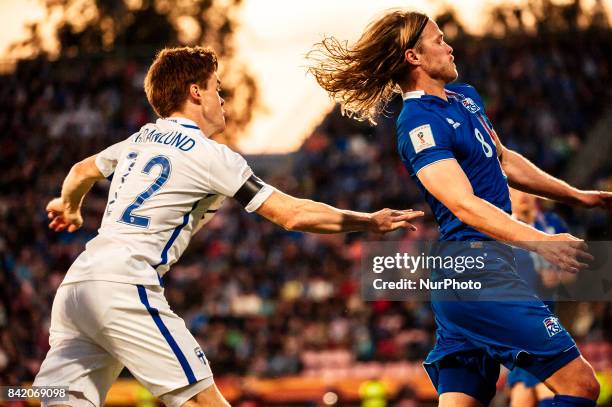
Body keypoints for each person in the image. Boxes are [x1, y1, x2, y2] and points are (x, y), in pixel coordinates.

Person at [33, 46, 424, 407]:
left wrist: (69, 207)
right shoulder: (211, 155)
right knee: (205, 401)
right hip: (124, 286)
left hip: (76, 287)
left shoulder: (138, 140)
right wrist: (367, 221)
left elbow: (81, 170)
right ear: (196, 92)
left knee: (58, 398)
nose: (222, 99)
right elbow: (292, 214)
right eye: (217, 88)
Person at [308, 10, 612, 407]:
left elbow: (504, 160)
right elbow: (463, 204)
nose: (449, 46)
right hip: (477, 271)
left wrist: (577, 195)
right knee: (582, 387)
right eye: (438, 40)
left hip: (473, 276)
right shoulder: (418, 122)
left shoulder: (466, 98)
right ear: (414, 57)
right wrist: (542, 242)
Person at [507, 188, 571, 407]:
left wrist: (559, 277)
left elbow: (576, 271)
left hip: (545, 319)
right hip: (518, 322)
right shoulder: (500, 229)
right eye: (514, 190)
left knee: (523, 393)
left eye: (525, 189)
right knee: (547, 386)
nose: (522, 195)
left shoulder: (553, 225)